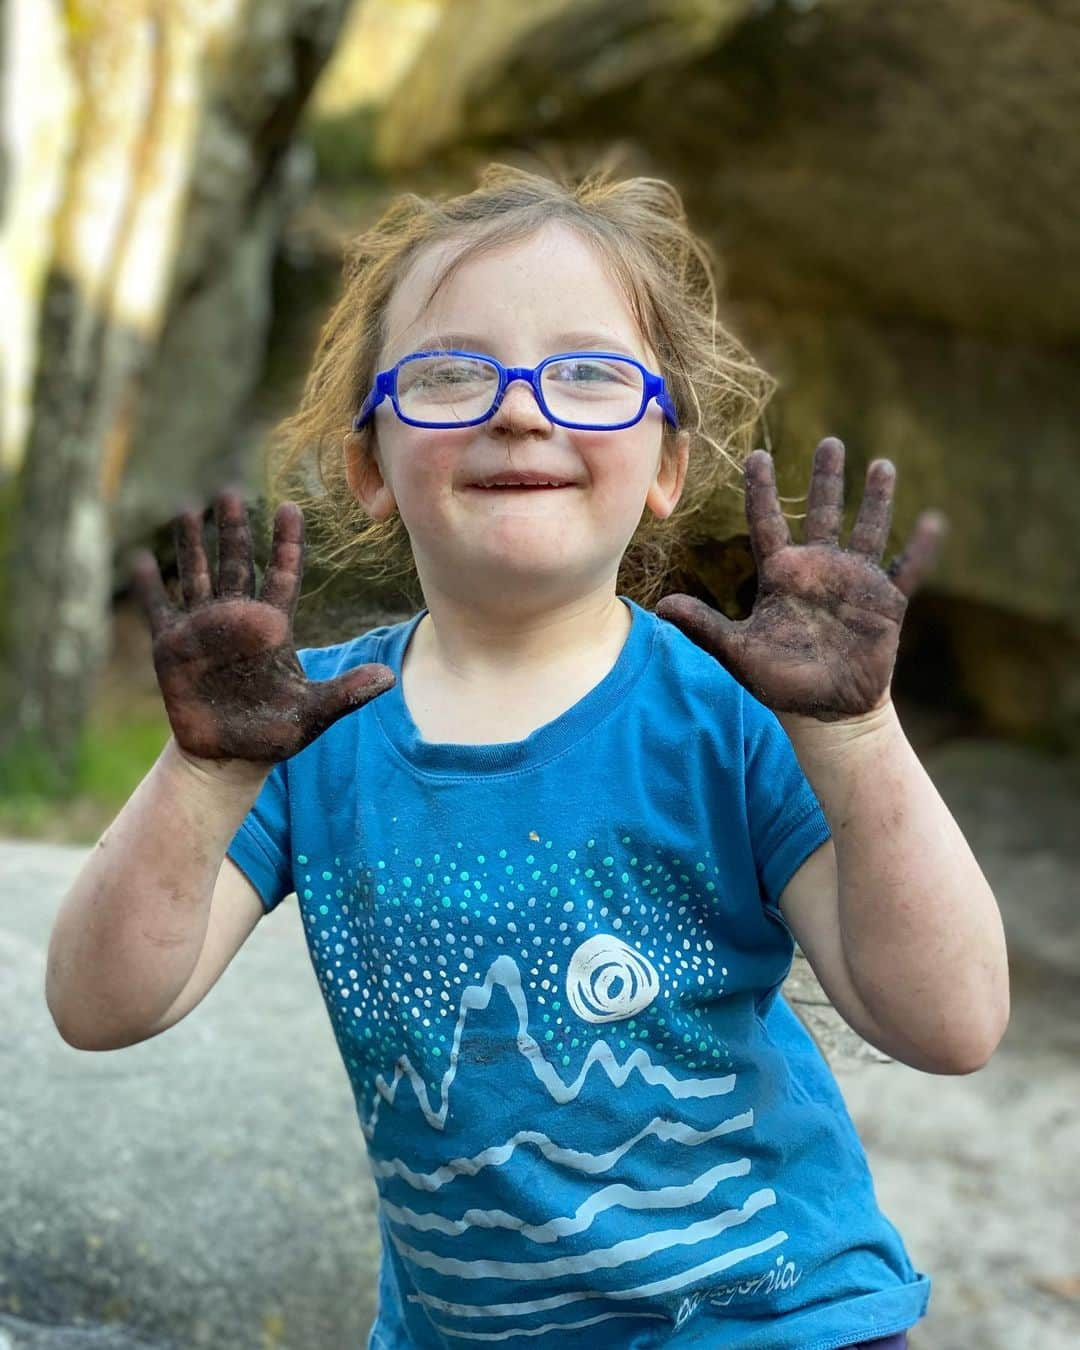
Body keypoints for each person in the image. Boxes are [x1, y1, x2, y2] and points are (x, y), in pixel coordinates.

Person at [46, 162, 1009, 1350]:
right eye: (450, 373)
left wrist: (855, 733)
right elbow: (97, 1007)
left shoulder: (735, 714)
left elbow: (954, 1023)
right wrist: (201, 774)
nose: (518, 407)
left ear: (662, 466)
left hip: (783, 1326)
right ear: (368, 465)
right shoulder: (310, 727)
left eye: (588, 373)